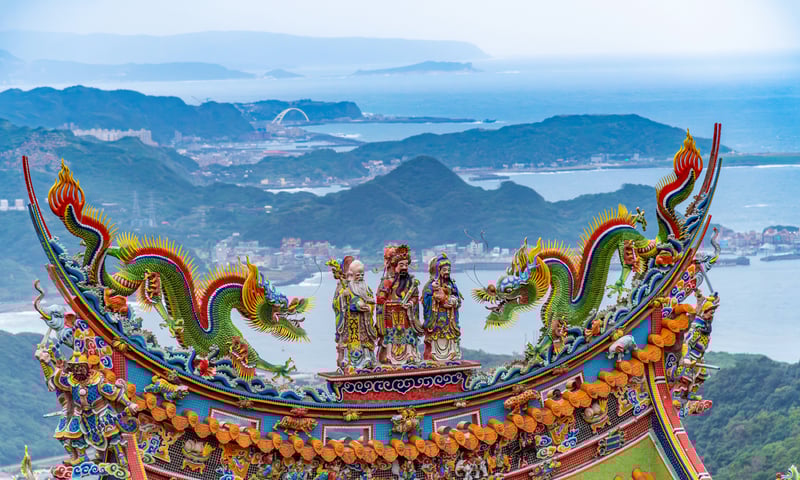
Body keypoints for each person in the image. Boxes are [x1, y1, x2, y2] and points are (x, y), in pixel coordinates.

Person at [34, 349, 138, 466]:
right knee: (71, 431)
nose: (78, 370)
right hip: (81, 413)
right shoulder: (71, 381)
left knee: (110, 429)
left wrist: (129, 404)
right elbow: (58, 380)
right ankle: (82, 456)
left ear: (86, 367)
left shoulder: (97, 380)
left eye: (80, 367)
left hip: (100, 411)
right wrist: (47, 362)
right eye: (75, 368)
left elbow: (114, 392)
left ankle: (120, 454)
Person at [376, 245, 422, 365]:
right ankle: (389, 355)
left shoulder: (410, 282)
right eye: (401, 265)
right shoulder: (387, 282)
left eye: (406, 265)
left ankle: (410, 354)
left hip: (406, 314)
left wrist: (411, 303)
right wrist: (387, 303)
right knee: (392, 335)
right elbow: (380, 298)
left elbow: (415, 296)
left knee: (408, 334)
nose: (404, 268)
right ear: (394, 266)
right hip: (391, 315)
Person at [335, 260, 379, 371]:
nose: (360, 277)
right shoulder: (347, 288)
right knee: (347, 339)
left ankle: (367, 357)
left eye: (362, 275)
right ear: (352, 275)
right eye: (358, 275)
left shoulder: (366, 288)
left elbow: (371, 301)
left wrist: (368, 307)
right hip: (349, 319)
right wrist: (343, 298)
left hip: (363, 320)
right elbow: (338, 304)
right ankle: (346, 359)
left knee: (364, 338)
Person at [422, 253, 463, 361]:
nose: (447, 272)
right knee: (436, 333)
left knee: (450, 334)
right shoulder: (431, 285)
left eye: (448, 270)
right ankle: (434, 353)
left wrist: (454, 302)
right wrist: (434, 300)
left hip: (450, 317)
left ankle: (452, 352)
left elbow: (458, 299)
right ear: (438, 270)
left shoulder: (452, 285)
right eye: (444, 270)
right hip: (437, 315)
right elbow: (425, 300)